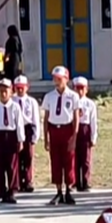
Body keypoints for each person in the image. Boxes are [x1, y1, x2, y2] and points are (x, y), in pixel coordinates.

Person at [42, 66, 80, 205]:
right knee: (56, 161)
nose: (57, 82)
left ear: (66, 79)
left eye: (60, 79)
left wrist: (74, 137)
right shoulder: (49, 97)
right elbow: (46, 118)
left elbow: (76, 117)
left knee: (69, 161)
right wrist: (46, 138)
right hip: (54, 130)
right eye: (55, 79)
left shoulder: (73, 96)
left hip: (67, 130)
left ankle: (69, 190)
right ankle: (58, 191)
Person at [0, 79, 25, 204]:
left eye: (6, 91)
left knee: (12, 165)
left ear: (11, 92)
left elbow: (19, 124)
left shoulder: (15, 107)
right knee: (0, 165)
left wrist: (20, 139)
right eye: (0, 91)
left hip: (11, 135)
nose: (3, 94)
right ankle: (1, 191)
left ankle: (12, 191)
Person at [13, 75, 40, 192]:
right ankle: (18, 181)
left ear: (27, 87)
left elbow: (35, 119)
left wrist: (36, 135)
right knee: (17, 157)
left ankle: (28, 181)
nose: (20, 90)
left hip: (27, 129)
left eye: (22, 87)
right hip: (15, 130)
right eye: (18, 87)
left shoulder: (31, 101)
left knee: (28, 156)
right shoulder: (12, 101)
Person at [73, 76, 97, 191]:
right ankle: (76, 182)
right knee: (74, 157)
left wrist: (93, 137)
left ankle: (86, 181)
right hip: (74, 130)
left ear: (86, 89)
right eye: (77, 88)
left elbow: (93, 121)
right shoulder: (72, 102)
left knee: (85, 158)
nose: (80, 91)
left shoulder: (90, 104)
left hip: (85, 129)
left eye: (82, 88)